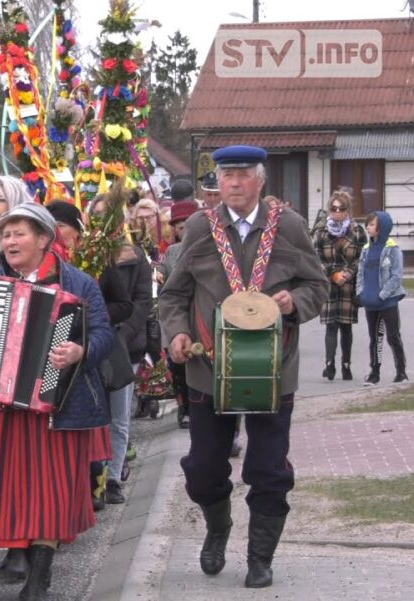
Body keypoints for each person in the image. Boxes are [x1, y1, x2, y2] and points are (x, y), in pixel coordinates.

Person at [160, 145, 328, 589]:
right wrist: (176, 334)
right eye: (224, 175)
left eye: (241, 175)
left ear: (260, 180)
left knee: (270, 470)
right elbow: (173, 295)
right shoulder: (199, 227)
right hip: (209, 369)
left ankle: (260, 557)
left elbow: (317, 285)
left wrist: (296, 303)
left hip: (273, 370)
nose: (231, 183)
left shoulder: (289, 227)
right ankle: (218, 526)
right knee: (203, 469)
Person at [0, 203, 112, 601]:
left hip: (58, 409)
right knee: (13, 489)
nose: (9, 242)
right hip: (3, 408)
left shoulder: (78, 283)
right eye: (5, 236)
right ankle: (19, 552)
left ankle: (40, 574)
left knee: (53, 491)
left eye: (19, 234)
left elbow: (106, 335)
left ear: (44, 239)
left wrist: (79, 351)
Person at [48, 200, 130, 512]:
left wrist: (86, 314)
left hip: (98, 351)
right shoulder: (46, 265)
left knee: (107, 420)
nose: (57, 234)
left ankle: (104, 483)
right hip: (60, 355)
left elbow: (125, 304)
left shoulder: (93, 260)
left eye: (62, 228)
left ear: (76, 232)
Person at [90, 191, 151, 505]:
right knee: (92, 414)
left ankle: (113, 477)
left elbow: (141, 304)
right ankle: (93, 478)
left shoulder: (136, 257)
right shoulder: (85, 253)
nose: (105, 221)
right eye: (99, 214)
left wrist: (119, 338)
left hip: (123, 345)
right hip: (90, 345)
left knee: (118, 416)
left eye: (111, 214)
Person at [313, 191, 367, 381]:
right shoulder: (320, 233)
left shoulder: (358, 231)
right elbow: (315, 258)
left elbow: (363, 258)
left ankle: (346, 364)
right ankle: (329, 365)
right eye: (333, 208)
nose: (337, 212)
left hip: (348, 285)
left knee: (346, 326)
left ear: (347, 210)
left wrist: (348, 273)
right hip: (329, 283)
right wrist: (332, 274)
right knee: (331, 325)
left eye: (341, 209)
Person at [159, 201, 198, 428]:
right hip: (178, 314)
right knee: (178, 366)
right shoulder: (173, 252)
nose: (186, 232)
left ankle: (197, 407)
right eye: (181, 227)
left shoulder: (207, 248)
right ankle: (183, 406)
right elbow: (165, 278)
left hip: (199, 314)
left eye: (189, 226)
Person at [356, 211, 407, 384]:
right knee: (375, 339)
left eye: (371, 224)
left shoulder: (393, 249)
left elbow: (396, 276)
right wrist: (361, 293)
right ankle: (374, 373)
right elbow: (361, 274)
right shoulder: (366, 249)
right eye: (367, 224)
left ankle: (401, 372)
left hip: (387, 302)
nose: (368, 227)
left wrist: (383, 294)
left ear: (381, 228)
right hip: (371, 303)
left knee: (393, 336)